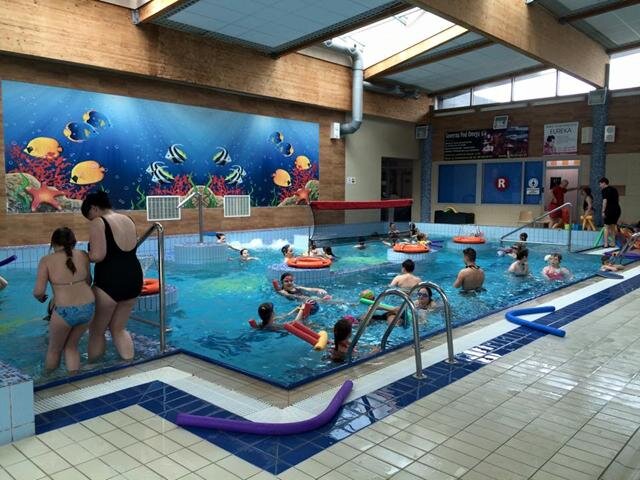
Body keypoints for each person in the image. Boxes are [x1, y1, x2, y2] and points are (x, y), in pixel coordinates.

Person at [81, 191, 143, 362]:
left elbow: (98, 256)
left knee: (96, 331)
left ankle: (94, 367)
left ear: (94, 208)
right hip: (134, 279)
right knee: (119, 328)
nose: (91, 220)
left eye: (90, 216)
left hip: (110, 281)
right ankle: (129, 363)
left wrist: (84, 255)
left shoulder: (99, 222)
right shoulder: (128, 219)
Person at [33, 227, 95, 374]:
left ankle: (49, 379)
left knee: (54, 350)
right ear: (74, 242)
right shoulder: (83, 255)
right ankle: (74, 377)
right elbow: (89, 281)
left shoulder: (46, 260)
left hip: (64, 310)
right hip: (88, 307)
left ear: (53, 243)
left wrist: (41, 298)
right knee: (72, 347)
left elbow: (39, 291)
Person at [600, 177, 621, 248]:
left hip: (609, 210)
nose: (600, 186)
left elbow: (605, 201)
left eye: (600, 184)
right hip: (617, 209)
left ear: (604, 183)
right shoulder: (614, 189)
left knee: (606, 227)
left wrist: (603, 211)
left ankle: (606, 244)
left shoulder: (604, 190)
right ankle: (613, 243)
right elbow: (618, 200)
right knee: (613, 226)